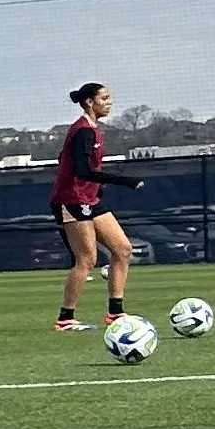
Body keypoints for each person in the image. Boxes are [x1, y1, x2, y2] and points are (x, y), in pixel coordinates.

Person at [51, 84, 146, 332]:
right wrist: (125, 181)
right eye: (104, 98)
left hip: (90, 199)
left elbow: (69, 163)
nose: (109, 102)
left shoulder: (93, 129)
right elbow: (83, 171)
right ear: (90, 102)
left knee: (123, 249)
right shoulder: (82, 131)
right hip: (72, 199)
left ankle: (115, 312)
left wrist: (96, 189)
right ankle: (65, 318)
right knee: (87, 258)